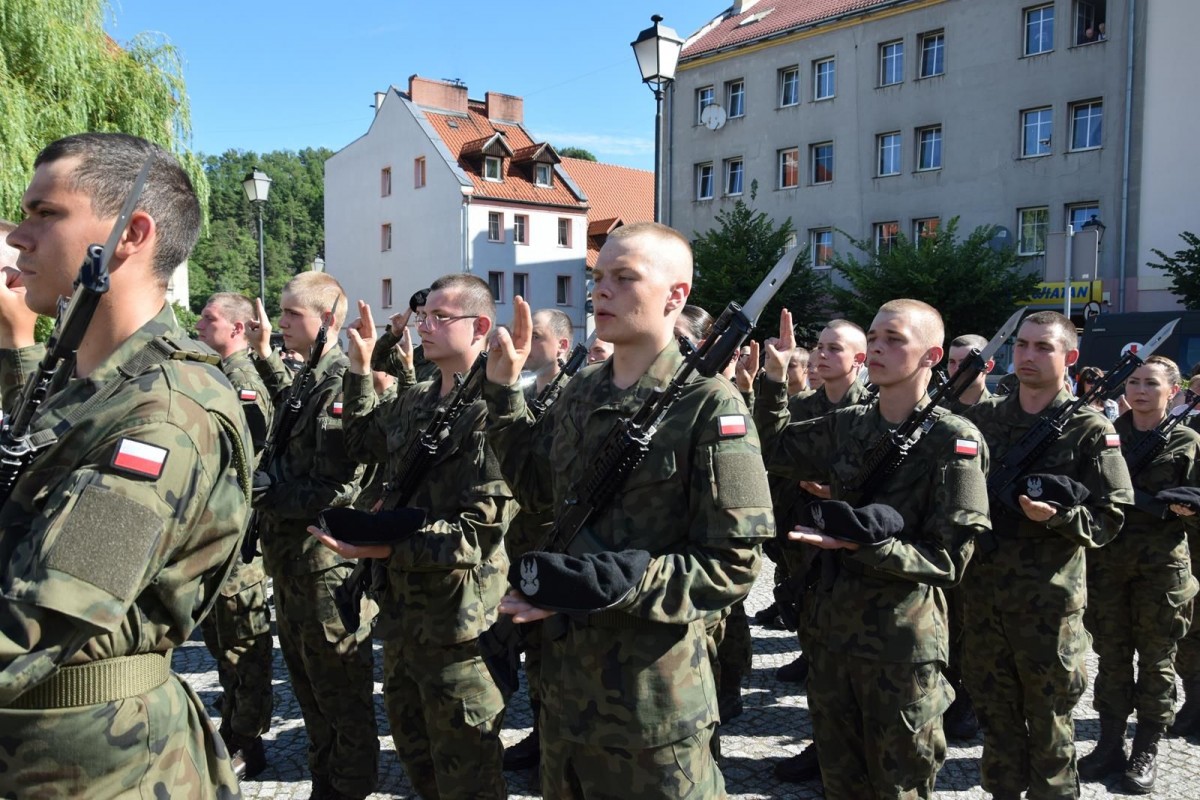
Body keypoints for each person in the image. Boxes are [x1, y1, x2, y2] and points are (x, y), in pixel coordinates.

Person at [483, 221, 773, 797]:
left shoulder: (710, 406)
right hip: (566, 695)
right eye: (597, 278)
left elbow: (733, 563)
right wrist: (502, 394)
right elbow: (541, 491)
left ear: (675, 296)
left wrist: (602, 584)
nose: (601, 292)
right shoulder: (581, 391)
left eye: (624, 277)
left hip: (651, 703)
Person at [0, 132, 252, 795]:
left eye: (44, 214)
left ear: (129, 235)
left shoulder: (164, 417)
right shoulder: (94, 382)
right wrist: (13, 341)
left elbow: (39, 622)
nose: (16, 235)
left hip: (95, 771)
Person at [751, 301, 990, 799]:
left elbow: (949, 560)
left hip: (900, 644)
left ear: (931, 356)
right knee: (839, 778)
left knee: (898, 784)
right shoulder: (850, 422)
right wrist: (773, 380)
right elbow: (772, 452)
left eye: (895, 339)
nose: (879, 347)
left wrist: (862, 546)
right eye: (875, 337)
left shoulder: (955, 440)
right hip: (832, 630)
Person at [312, 275, 513, 798]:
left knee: (468, 775)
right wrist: (358, 371)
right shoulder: (416, 399)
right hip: (402, 617)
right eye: (425, 316)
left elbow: (478, 534)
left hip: (458, 625)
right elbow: (358, 442)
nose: (425, 325)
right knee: (418, 760)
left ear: (480, 327)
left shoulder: (496, 414)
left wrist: (383, 546)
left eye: (440, 318)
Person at [961, 310, 1134, 800]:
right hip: (983, 598)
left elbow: (1111, 518)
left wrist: (1056, 518)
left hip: (1049, 607)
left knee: (1051, 721)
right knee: (995, 716)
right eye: (1023, 346)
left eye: (1044, 348)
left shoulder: (1091, 429)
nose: (1029, 356)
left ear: (1070, 358)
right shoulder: (984, 419)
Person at [247, 273, 379, 800]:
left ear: (326, 320)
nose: (281, 324)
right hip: (293, 565)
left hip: (325, 571)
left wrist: (269, 493)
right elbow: (288, 410)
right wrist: (261, 353)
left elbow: (338, 488)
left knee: (341, 695)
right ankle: (325, 779)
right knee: (308, 688)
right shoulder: (307, 379)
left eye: (291, 315)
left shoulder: (340, 383)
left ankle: (348, 787)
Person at [1078, 355, 1200, 792]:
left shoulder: (1187, 440)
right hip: (1108, 564)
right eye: (1133, 381)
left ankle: (1146, 748)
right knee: (1111, 658)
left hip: (1161, 568)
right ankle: (1109, 743)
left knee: (1157, 660)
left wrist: (1186, 509)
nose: (1140, 390)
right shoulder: (1105, 435)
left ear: (1172, 391)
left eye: (1151, 383)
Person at [764, 318, 871, 783]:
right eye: (820, 347)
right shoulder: (803, 407)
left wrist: (840, 492)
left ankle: (861, 754)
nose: (823, 355)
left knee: (859, 663)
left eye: (835, 348)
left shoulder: (872, 411)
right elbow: (769, 449)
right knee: (815, 644)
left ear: (857, 360)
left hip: (856, 553)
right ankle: (825, 746)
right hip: (802, 537)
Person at [194, 291, 276, 779]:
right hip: (217, 534)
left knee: (245, 644)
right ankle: (232, 728)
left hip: (238, 539)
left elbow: (247, 464)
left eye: (210, 319)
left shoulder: (243, 382)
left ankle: (249, 738)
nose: (201, 325)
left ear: (238, 329)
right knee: (222, 642)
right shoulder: (219, 374)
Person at [939, 332, 996, 742]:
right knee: (945, 623)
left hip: (990, 548)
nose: (958, 370)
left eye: (968, 362)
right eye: (953, 363)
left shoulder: (1002, 415)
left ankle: (971, 701)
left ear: (988, 365)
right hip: (941, 541)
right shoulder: (935, 413)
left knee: (977, 629)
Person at [525, 308, 574, 396]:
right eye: (526, 336)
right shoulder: (522, 393)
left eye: (535, 337)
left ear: (562, 345)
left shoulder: (576, 394)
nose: (526, 343)